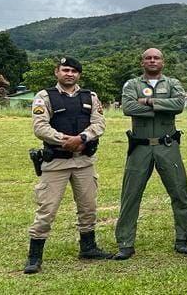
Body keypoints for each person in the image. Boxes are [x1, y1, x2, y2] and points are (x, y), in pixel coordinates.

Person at [24, 57, 112, 274]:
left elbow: (99, 123)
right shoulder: (44, 97)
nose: (69, 74)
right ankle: (34, 257)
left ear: (79, 74)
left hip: (84, 162)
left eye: (74, 71)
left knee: (88, 207)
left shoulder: (90, 97)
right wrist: (66, 140)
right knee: (47, 209)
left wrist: (82, 138)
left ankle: (88, 248)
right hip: (56, 162)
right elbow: (40, 127)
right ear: (57, 72)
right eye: (65, 70)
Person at [114, 48, 187, 259]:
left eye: (156, 57)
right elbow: (128, 107)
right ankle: (125, 243)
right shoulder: (132, 84)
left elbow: (178, 105)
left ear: (163, 62)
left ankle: (183, 239)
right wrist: (161, 107)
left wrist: (148, 102)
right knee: (131, 195)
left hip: (167, 146)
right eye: (148, 58)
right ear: (142, 62)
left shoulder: (173, 83)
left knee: (179, 192)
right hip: (139, 147)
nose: (152, 60)